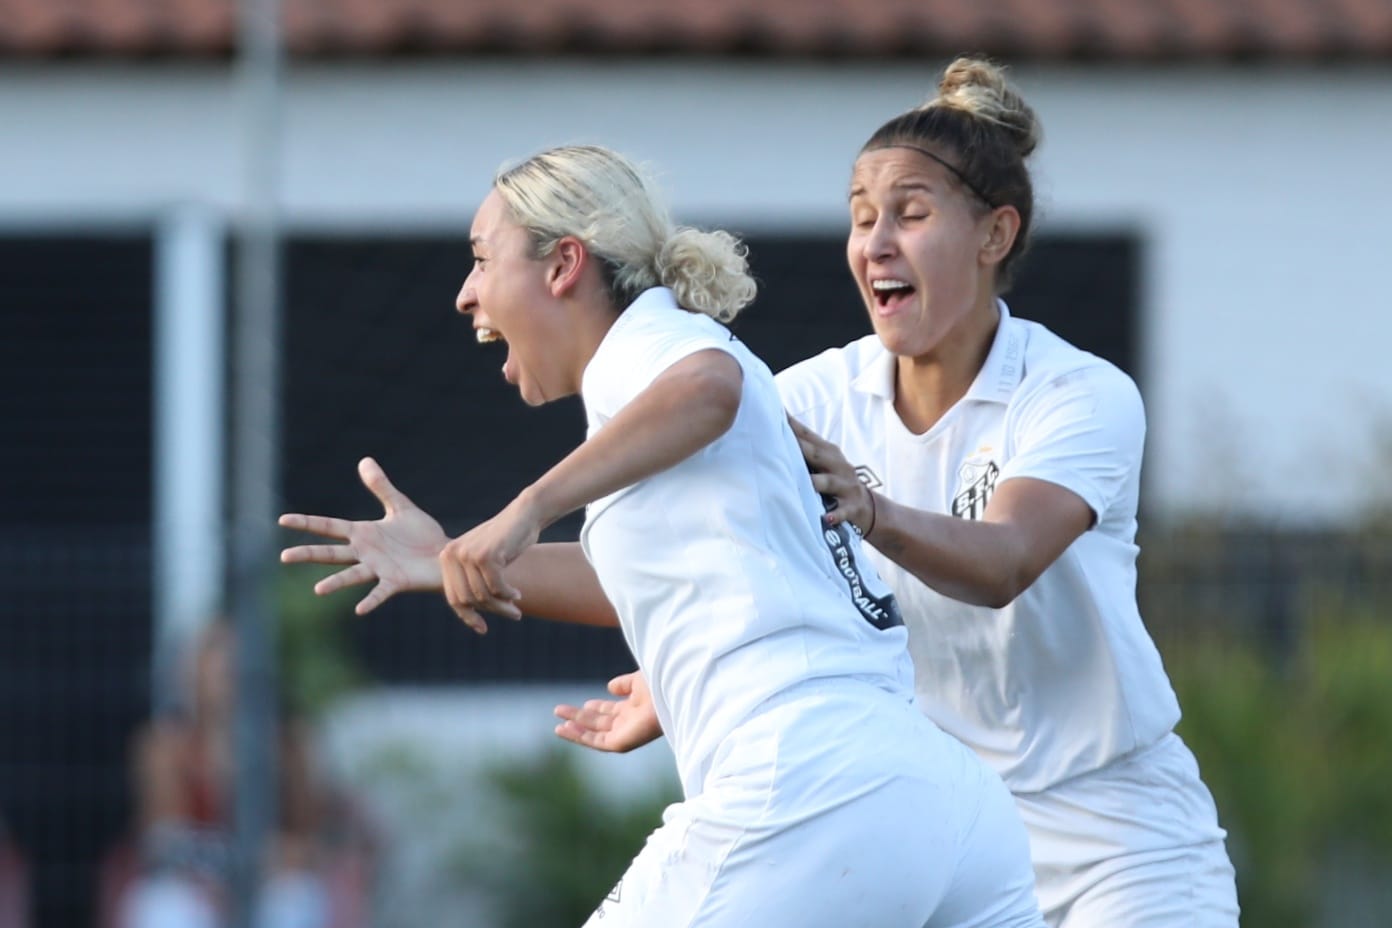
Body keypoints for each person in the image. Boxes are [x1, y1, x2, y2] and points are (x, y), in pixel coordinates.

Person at [280, 144, 1046, 927]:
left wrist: (527, 507)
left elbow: (710, 387)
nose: (465, 295)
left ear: (563, 266)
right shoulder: (644, 390)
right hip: (938, 799)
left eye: (481, 260)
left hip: (810, 783)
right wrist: (445, 561)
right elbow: (630, 577)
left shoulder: (645, 348)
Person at [552, 59, 1241, 928]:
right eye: (861, 216)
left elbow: (1003, 562)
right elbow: (661, 562)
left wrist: (870, 512)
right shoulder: (807, 398)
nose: (877, 243)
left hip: (1116, 837)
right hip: (948, 824)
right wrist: (465, 560)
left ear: (995, 235)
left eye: (911, 216)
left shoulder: (1077, 393)